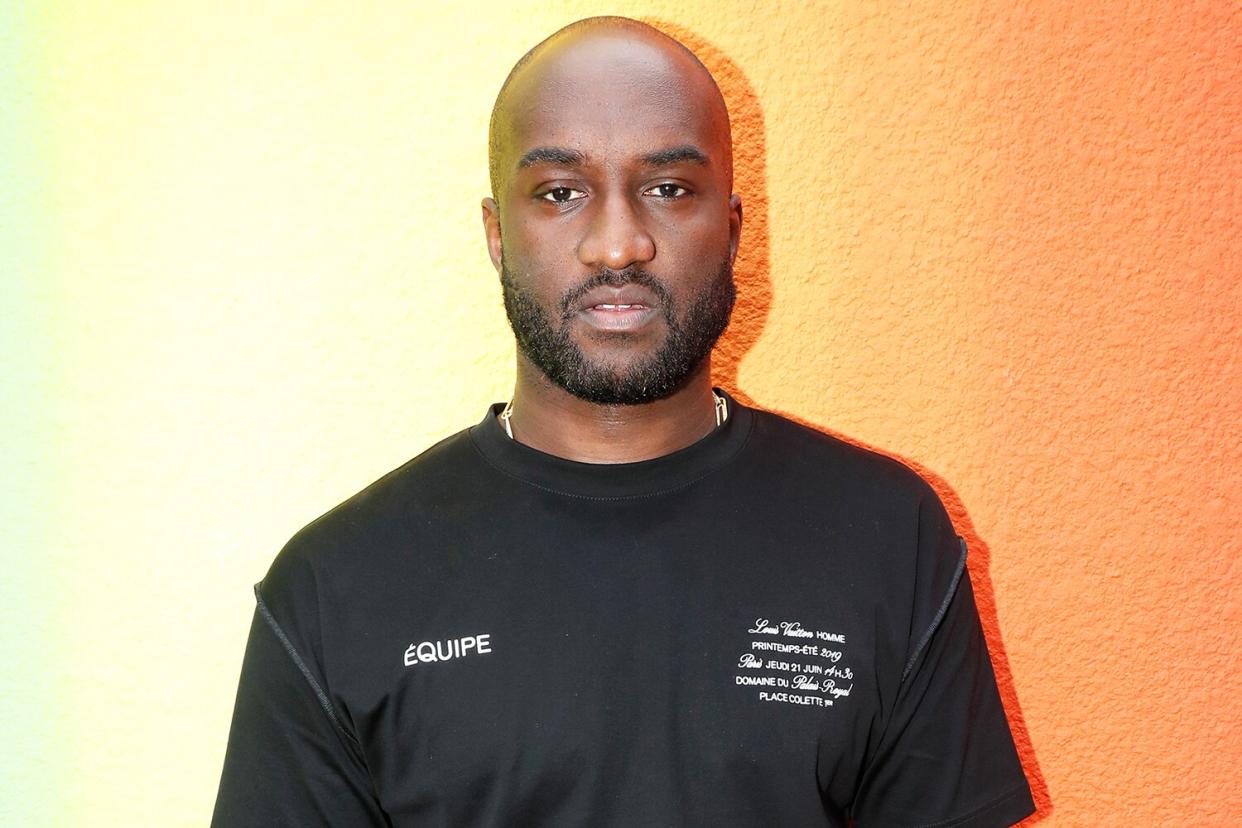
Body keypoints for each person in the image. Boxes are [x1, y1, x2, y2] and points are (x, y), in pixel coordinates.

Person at [212, 16, 1035, 827]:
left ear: (734, 228)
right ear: (498, 235)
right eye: (561, 193)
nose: (618, 244)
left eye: (668, 189)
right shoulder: (337, 588)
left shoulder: (886, 537)